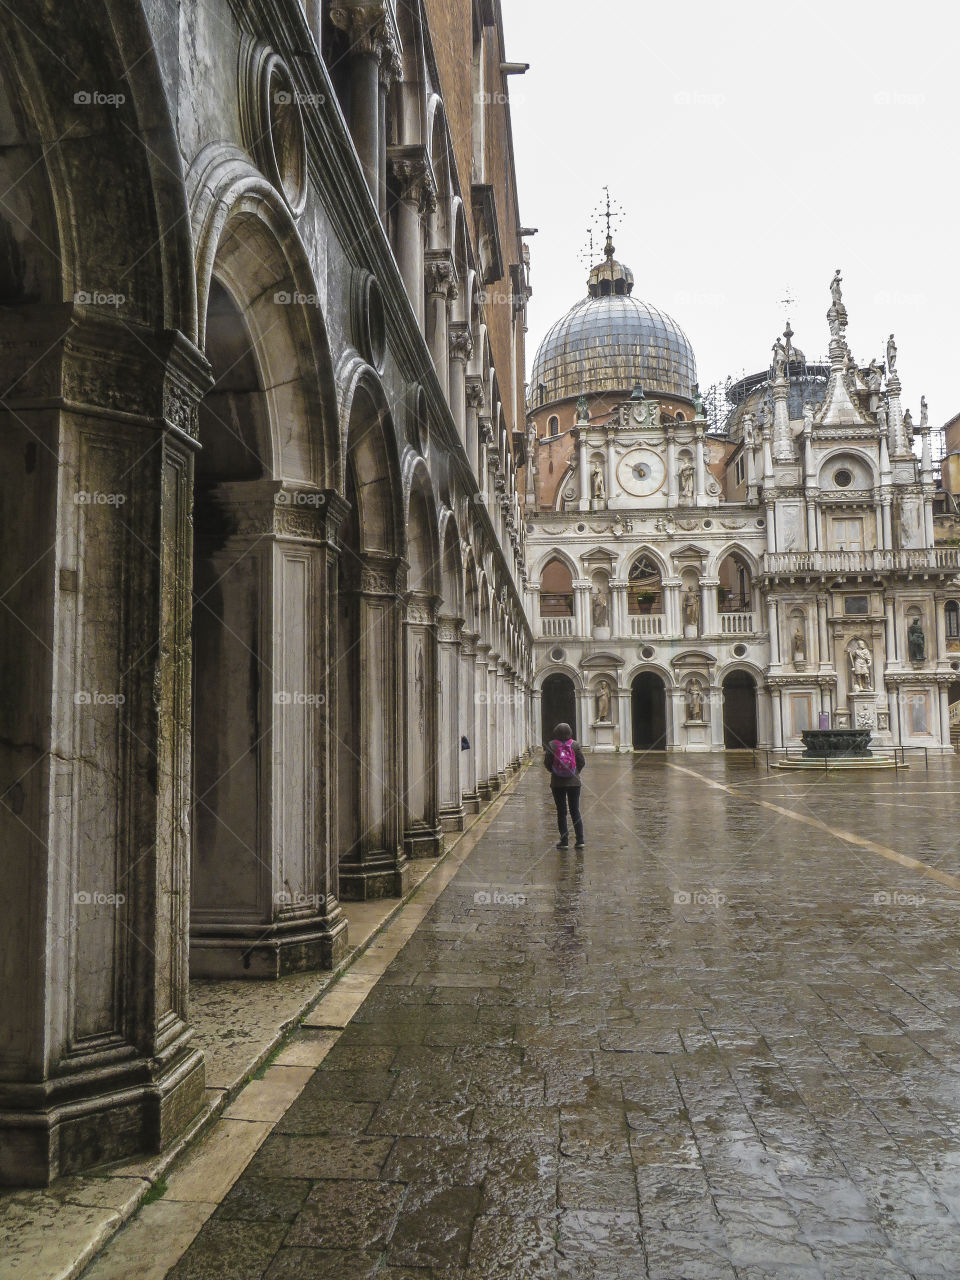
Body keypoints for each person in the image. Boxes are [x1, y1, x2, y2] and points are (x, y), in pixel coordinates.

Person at [543, 721, 586, 850]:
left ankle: (564, 841)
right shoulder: (575, 745)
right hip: (574, 783)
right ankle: (580, 840)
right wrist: (575, 772)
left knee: (561, 812)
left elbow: (547, 763)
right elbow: (582, 762)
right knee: (575, 810)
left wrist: (556, 772)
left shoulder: (551, 745)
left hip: (557, 783)